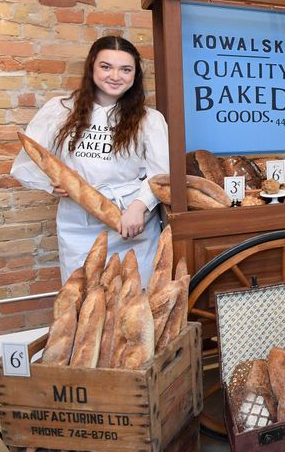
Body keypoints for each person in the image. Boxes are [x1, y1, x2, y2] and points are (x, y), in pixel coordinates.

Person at [11, 36, 169, 286]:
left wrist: (139, 207)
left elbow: (161, 175)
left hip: (131, 223)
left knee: (134, 298)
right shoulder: (61, 110)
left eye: (125, 69)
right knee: (84, 301)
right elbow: (29, 162)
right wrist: (52, 183)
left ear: (135, 75)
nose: (115, 76)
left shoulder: (149, 119)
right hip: (78, 224)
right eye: (106, 67)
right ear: (92, 67)